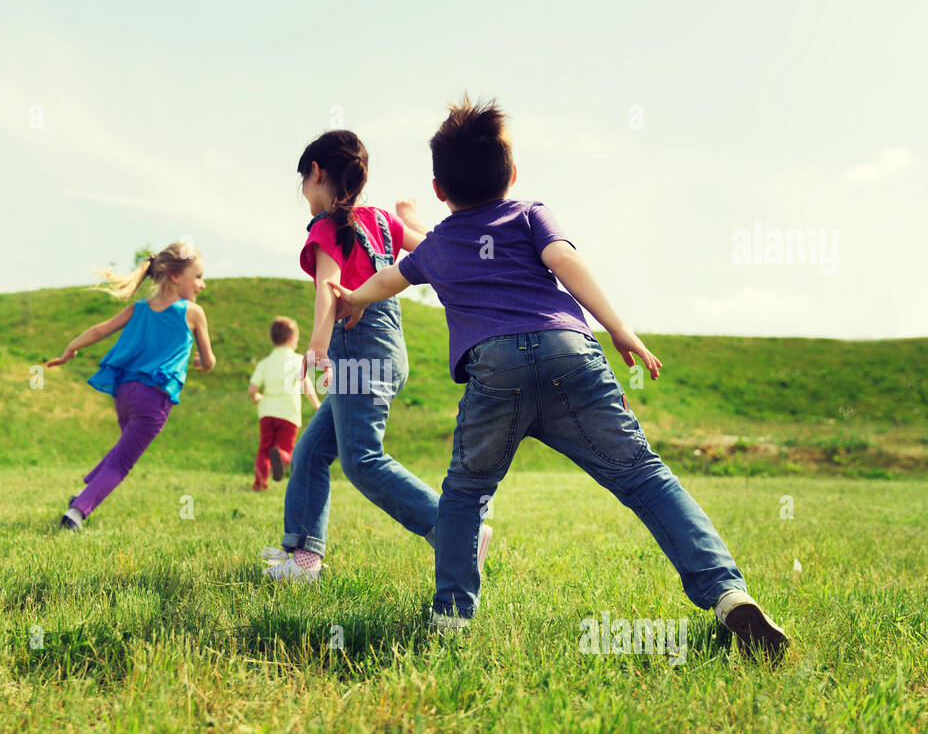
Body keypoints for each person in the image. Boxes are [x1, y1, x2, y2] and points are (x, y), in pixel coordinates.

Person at [329, 97, 787, 659]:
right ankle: (727, 593)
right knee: (644, 477)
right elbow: (568, 264)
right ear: (512, 175)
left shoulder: (440, 244)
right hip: (570, 355)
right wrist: (619, 329)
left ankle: (451, 619)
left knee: (466, 494)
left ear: (439, 189)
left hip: (494, 369)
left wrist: (351, 298)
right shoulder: (529, 214)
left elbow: (388, 280)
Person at [262, 129, 492, 582]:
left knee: (362, 459)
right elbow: (432, 249)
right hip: (388, 353)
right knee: (310, 452)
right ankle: (303, 558)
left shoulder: (328, 227)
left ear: (316, 173)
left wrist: (316, 347)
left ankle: (459, 532)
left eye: (303, 182)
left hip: (357, 354)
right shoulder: (383, 221)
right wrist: (413, 218)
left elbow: (329, 292)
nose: (304, 194)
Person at [48, 241, 215, 530]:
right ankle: (76, 512)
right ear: (176, 277)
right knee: (122, 462)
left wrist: (70, 350)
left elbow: (101, 329)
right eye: (198, 276)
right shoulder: (192, 313)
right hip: (155, 399)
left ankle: (85, 492)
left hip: (125, 393)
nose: (202, 285)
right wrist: (203, 362)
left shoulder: (139, 308)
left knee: (123, 448)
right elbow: (210, 361)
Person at [249, 316, 320, 491]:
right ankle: (280, 457)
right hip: (288, 413)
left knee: (263, 448)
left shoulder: (265, 362)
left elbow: (252, 389)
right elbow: (306, 385)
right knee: (286, 448)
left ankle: (259, 483)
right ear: (291, 339)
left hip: (267, 412)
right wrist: (317, 405)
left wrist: (256, 397)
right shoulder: (297, 360)